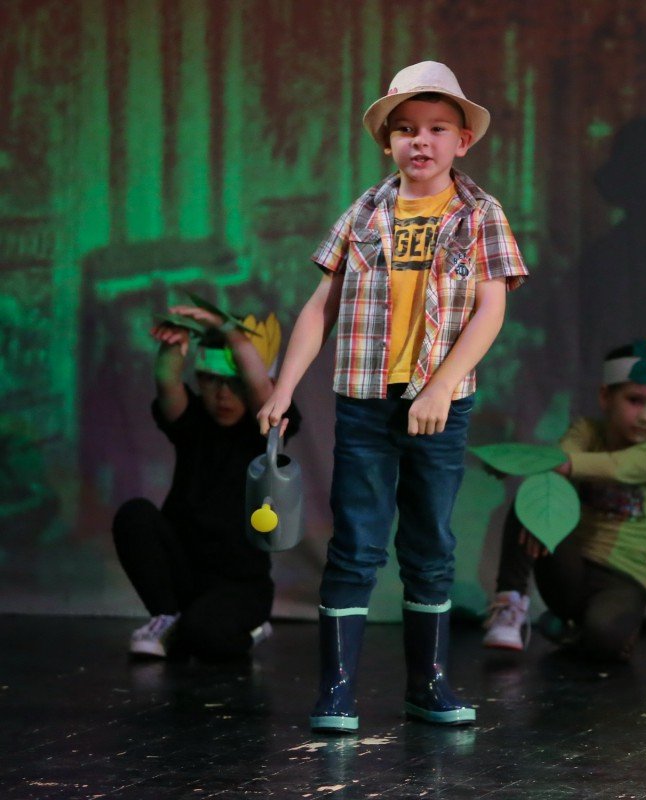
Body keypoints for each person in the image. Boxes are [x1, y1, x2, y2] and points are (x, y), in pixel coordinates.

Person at [257, 61, 527, 733]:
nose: (420, 141)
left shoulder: (480, 214)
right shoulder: (365, 212)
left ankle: (428, 684)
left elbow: (491, 310)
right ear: (388, 142)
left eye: (436, 129)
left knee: (430, 542)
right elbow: (321, 306)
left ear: (463, 140)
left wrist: (440, 385)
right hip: (364, 399)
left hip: (439, 403)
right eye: (406, 129)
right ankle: (337, 690)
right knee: (355, 541)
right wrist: (282, 386)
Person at [112, 305, 299, 661]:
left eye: (235, 383)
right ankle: (166, 616)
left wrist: (225, 327)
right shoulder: (194, 420)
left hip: (239, 584)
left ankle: (248, 631)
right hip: (186, 574)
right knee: (135, 515)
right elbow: (167, 381)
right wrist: (173, 344)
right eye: (213, 381)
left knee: (203, 637)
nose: (223, 395)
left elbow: (262, 389)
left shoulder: (264, 430)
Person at [483, 338, 646, 662]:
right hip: (571, 569)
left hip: (623, 580)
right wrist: (526, 477)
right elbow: (559, 462)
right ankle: (509, 605)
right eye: (635, 400)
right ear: (605, 397)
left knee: (604, 638)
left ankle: (579, 632)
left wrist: (551, 464)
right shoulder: (586, 431)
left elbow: (616, 466)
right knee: (535, 496)